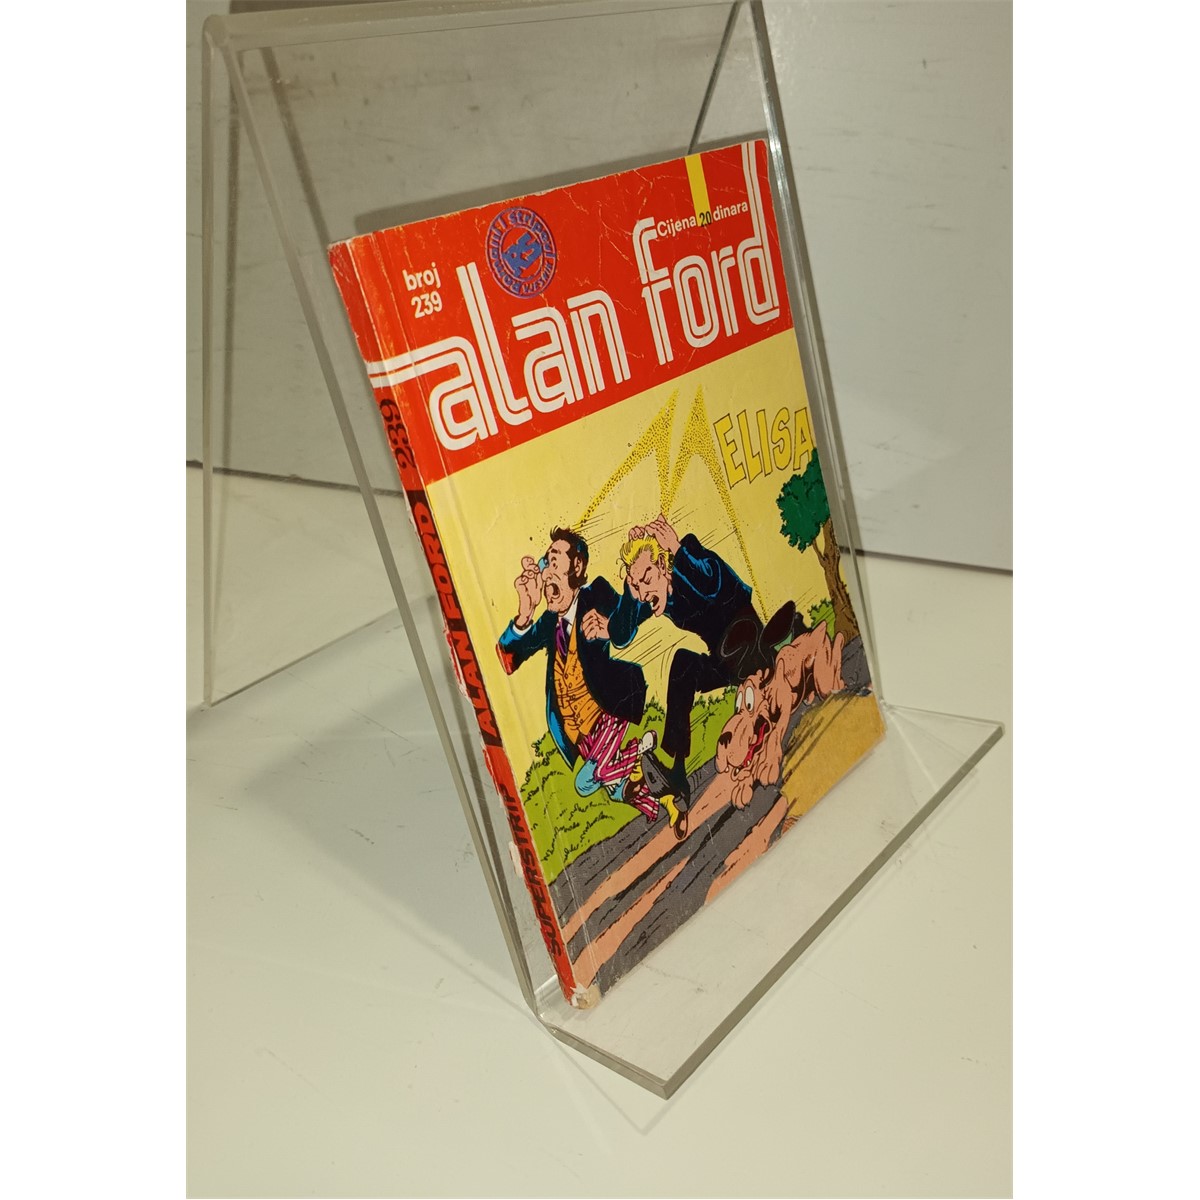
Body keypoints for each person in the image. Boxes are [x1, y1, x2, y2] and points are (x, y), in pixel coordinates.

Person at [598, 514, 799, 809]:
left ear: (663, 565)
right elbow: (620, 634)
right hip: (724, 663)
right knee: (683, 664)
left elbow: (713, 581)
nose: (644, 592)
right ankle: (677, 773)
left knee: (746, 648)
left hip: (751, 646)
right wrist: (630, 591)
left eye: (647, 580)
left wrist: (677, 548)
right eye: (637, 586)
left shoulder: (691, 558)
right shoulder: (660, 597)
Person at [496, 527, 668, 826]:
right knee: (615, 787)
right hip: (581, 734)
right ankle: (664, 803)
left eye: (555, 561)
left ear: (576, 566)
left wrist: (609, 627)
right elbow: (509, 660)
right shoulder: (549, 622)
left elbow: (625, 627)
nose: (547, 573)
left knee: (585, 783)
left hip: (608, 710)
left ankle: (641, 749)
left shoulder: (595, 593)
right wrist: (524, 613)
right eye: (546, 563)